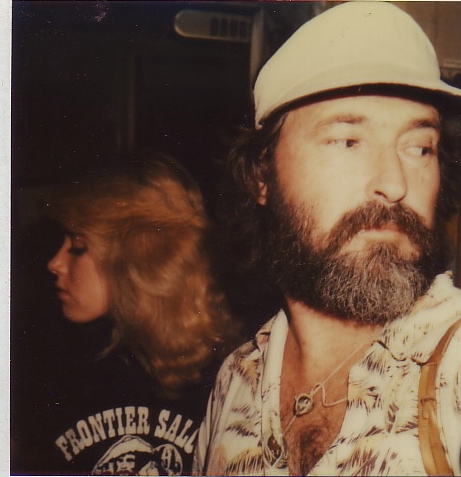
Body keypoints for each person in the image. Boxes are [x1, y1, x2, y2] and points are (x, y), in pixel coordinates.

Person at [193, 2, 461, 476]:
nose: (394, 184)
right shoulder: (235, 381)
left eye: (420, 148)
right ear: (262, 175)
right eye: (347, 141)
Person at [14, 156, 240, 476]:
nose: (55, 263)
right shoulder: (45, 358)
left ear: (136, 254)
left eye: (77, 245)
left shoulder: (233, 372)